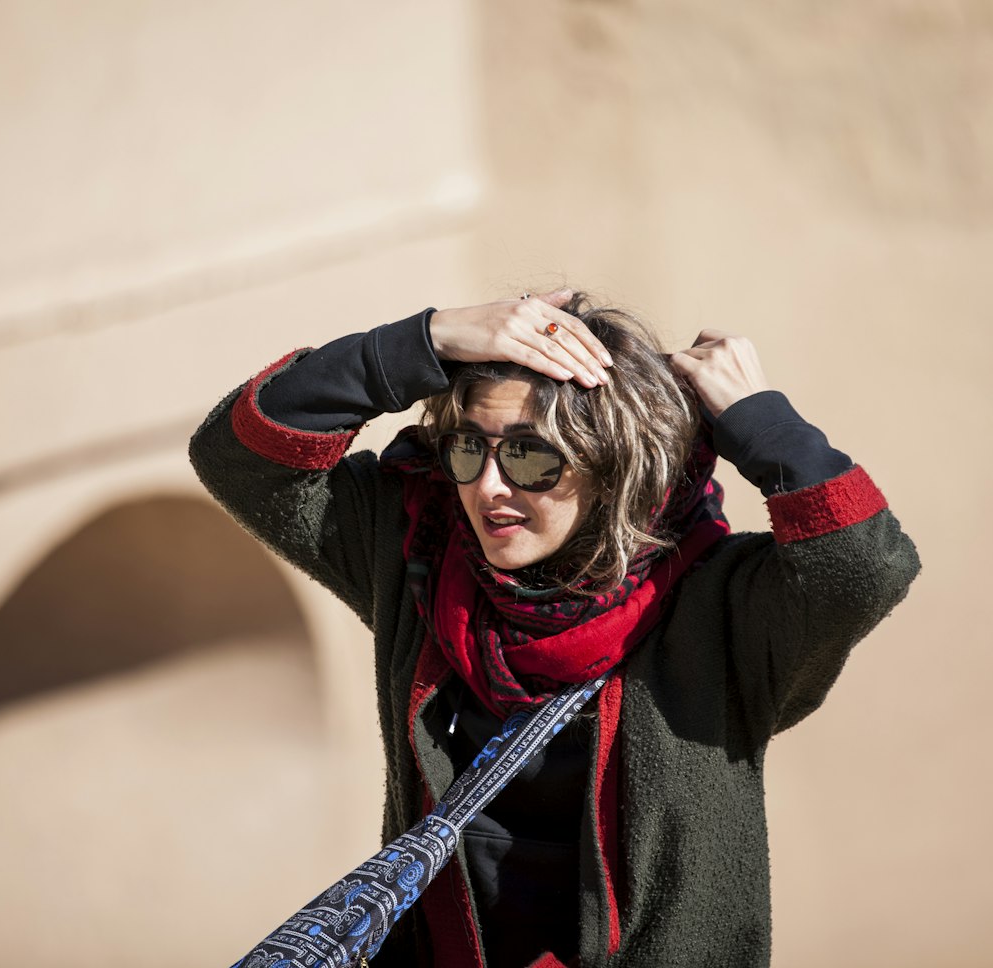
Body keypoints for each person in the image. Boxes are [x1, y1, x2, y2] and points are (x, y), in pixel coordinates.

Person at [189, 288, 919, 968]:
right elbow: (240, 457)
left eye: (531, 455)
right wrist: (430, 338)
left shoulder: (717, 606)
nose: (489, 488)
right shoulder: (418, 553)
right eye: (470, 448)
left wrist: (758, 417)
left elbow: (863, 566)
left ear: (616, 467)